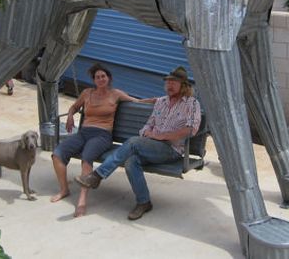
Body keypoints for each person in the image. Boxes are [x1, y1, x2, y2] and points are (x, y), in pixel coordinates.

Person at [75, 66, 201, 221]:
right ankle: (144, 202)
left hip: (171, 150)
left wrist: (161, 136)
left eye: (174, 82)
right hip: (150, 146)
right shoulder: (161, 102)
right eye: (168, 82)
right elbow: (149, 124)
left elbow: (191, 130)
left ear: (184, 86)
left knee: (133, 142)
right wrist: (147, 133)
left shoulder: (192, 104)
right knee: (131, 161)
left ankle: (97, 175)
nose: (169, 85)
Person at [50, 63, 137, 217]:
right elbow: (74, 107)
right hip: (83, 133)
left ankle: (82, 200)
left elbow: (136, 101)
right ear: (94, 80)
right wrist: (70, 115)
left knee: (86, 158)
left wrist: (156, 101)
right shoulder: (87, 93)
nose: (100, 79)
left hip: (102, 135)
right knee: (57, 154)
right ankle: (64, 189)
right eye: (97, 77)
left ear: (108, 78)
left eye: (103, 76)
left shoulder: (115, 94)